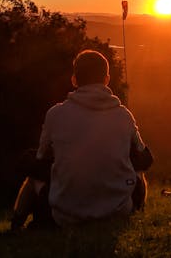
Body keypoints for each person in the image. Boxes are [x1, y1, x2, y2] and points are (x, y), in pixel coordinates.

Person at [26, 49, 152, 227]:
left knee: (32, 173)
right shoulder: (124, 115)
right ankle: (139, 213)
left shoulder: (55, 114)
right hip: (117, 212)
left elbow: (40, 157)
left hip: (65, 216)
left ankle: (16, 223)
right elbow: (144, 156)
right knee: (138, 168)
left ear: (74, 79)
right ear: (107, 79)